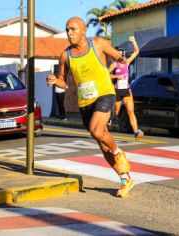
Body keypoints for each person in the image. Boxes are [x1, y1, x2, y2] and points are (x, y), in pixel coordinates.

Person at [47, 17, 134, 198]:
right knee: (102, 145)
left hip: (105, 94)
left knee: (96, 130)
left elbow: (120, 58)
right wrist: (56, 80)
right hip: (85, 102)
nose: (69, 33)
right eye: (67, 30)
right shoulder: (66, 55)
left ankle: (119, 152)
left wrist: (121, 58)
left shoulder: (98, 44)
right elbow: (64, 82)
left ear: (83, 30)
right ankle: (125, 178)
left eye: (73, 29)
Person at [109, 36, 144, 140]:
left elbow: (136, 51)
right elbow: (106, 74)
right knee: (117, 111)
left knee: (130, 111)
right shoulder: (114, 64)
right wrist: (116, 76)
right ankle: (109, 118)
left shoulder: (127, 63)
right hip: (117, 90)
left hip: (127, 90)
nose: (121, 56)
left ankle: (136, 131)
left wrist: (134, 41)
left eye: (122, 54)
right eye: (119, 55)